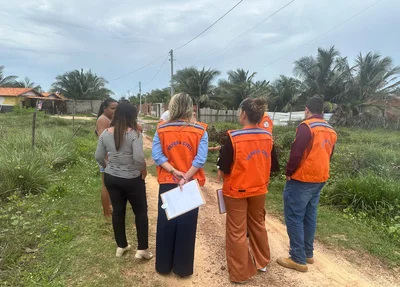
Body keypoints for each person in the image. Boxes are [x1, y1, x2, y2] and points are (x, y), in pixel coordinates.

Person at [217, 98, 279, 283]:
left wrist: (220, 170)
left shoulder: (233, 137)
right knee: (258, 224)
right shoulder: (268, 137)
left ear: (243, 114)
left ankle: (239, 274)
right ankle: (262, 262)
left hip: (236, 191)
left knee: (236, 231)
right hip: (259, 189)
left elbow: (224, 168)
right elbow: (273, 166)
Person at [277, 96, 337, 272]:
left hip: (302, 178)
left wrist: (289, 173)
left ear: (307, 109)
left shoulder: (307, 127)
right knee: (310, 215)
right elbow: (329, 154)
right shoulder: (331, 130)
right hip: (320, 178)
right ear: (323, 112)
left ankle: (297, 258)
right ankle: (308, 254)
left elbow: (296, 153)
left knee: (294, 217)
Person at [152, 93, 208, 277]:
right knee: (187, 225)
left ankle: (163, 266)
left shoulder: (161, 129)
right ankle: (182, 269)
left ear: (172, 106)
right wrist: (186, 177)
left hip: (168, 182)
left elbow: (157, 156)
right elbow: (200, 159)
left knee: (166, 224)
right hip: (189, 185)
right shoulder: (201, 130)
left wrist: (174, 172)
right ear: (190, 107)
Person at [95, 102, 152, 259]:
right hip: (132, 179)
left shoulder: (105, 133)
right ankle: (142, 250)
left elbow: (99, 157)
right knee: (140, 212)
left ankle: (121, 246)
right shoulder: (134, 134)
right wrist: (143, 170)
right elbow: (139, 158)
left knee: (118, 212)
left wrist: (109, 167)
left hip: (112, 178)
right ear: (131, 116)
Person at [96, 98, 118, 218]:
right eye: (112, 108)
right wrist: (107, 160)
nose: (115, 111)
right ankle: (106, 214)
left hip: (110, 156)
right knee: (106, 185)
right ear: (105, 108)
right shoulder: (103, 120)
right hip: (106, 157)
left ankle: (110, 209)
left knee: (111, 185)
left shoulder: (108, 119)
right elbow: (103, 141)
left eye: (116, 108)